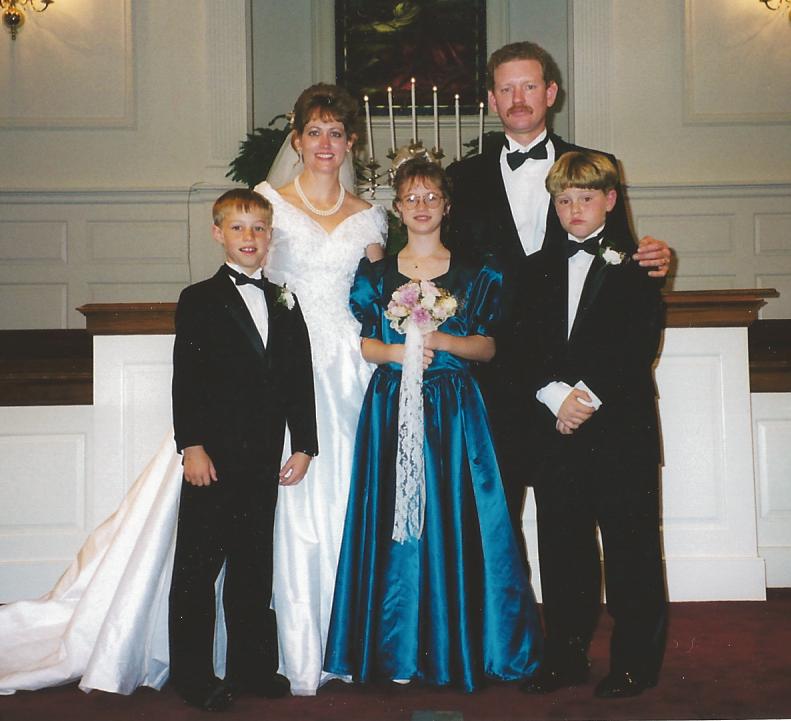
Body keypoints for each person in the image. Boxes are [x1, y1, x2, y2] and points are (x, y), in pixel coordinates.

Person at [324, 158, 542, 692]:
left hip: (454, 409)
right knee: (393, 520)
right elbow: (368, 345)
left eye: (431, 197)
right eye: (410, 199)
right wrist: (400, 351)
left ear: (447, 205)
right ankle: (396, 647)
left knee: (457, 519)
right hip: (394, 405)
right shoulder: (376, 274)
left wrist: (442, 341)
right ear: (397, 209)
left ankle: (460, 644)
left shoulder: (475, 273)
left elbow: (487, 347)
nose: (421, 207)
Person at [445, 41, 671, 547]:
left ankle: (584, 627)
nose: (518, 98)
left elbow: (619, 261)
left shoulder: (595, 166)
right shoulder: (461, 178)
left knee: (581, 522)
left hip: (571, 380)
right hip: (492, 378)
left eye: (529, 86)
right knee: (491, 522)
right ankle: (507, 627)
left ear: (551, 93)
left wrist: (654, 259)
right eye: (506, 88)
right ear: (491, 99)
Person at [513, 151, 666, 698]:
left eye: (584, 198)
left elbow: (637, 343)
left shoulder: (641, 265)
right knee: (563, 550)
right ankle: (566, 657)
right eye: (564, 200)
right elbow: (523, 347)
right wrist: (557, 397)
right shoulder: (533, 269)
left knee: (632, 550)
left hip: (620, 430)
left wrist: (587, 396)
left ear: (609, 200)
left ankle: (634, 664)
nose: (574, 209)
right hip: (559, 430)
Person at [253, 82, 387, 696]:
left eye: (336, 132)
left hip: (353, 366)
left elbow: (382, 295)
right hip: (284, 366)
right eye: (314, 132)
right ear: (297, 139)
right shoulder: (268, 204)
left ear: (351, 140)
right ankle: (289, 638)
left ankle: (353, 632)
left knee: (354, 489)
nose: (325, 143)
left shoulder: (371, 216)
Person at [168, 188, 318, 710]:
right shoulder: (199, 299)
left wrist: (304, 444)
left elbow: (299, 378)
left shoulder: (286, 299)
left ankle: (252, 667)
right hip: (213, 457)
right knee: (198, 568)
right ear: (218, 234)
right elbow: (185, 380)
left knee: (254, 564)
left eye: (258, 228)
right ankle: (191, 674)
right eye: (238, 227)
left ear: (270, 235)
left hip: (263, 458)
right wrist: (192, 446)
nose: (249, 237)